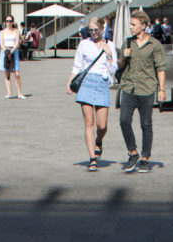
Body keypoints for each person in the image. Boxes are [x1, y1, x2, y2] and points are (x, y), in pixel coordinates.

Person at [116, 10, 167, 174]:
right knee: (124, 120)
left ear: (143, 26)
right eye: (130, 24)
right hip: (129, 86)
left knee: (146, 124)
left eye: (133, 24)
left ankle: (145, 158)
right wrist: (123, 57)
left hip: (146, 88)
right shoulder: (127, 42)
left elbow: (160, 68)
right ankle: (132, 153)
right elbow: (119, 66)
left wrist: (162, 89)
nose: (130, 27)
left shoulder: (155, 45)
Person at [68, 20, 117, 171]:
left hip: (102, 82)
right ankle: (92, 159)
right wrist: (69, 82)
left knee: (102, 125)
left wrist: (108, 53)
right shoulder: (83, 44)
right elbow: (77, 66)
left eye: (96, 30)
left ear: (102, 29)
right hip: (86, 83)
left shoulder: (110, 44)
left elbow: (113, 68)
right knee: (89, 123)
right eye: (90, 30)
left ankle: (99, 140)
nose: (94, 33)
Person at [0, 16, 25, 98]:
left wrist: (12, 50)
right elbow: (1, 44)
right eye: (7, 21)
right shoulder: (2, 32)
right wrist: (5, 50)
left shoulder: (16, 31)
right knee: (7, 73)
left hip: (14, 52)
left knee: (17, 73)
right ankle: (9, 92)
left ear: (13, 22)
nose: (9, 23)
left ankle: (19, 93)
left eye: (10, 21)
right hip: (5, 52)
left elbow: (17, 42)